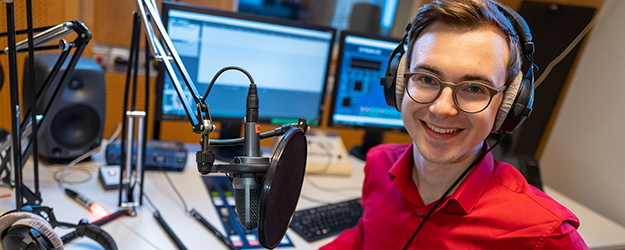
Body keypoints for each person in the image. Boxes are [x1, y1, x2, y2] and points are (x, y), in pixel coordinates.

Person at [320, 0, 589, 249]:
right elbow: (364, 238)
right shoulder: (379, 164)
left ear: (508, 104)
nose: (442, 108)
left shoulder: (546, 233)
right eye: (426, 79)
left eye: (474, 87)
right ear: (400, 82)